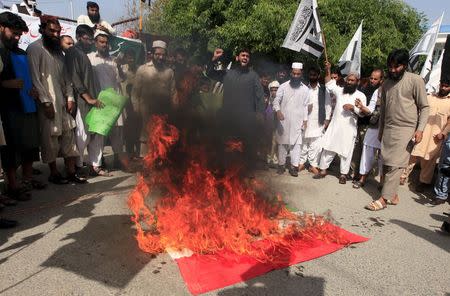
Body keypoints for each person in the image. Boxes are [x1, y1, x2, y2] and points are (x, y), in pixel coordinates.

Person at [366, 49, 429, 211]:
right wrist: (381, 131)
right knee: (386, 163)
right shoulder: (386, 83)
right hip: (388, 128)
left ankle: (384, 199)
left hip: (406, 129)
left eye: (397, 67)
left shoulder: (415, 80)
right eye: (390, 67)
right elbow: (384, 109)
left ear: (405, 65)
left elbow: (425, 107)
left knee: (396, 165)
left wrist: (420, 129)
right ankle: (393, 194)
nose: (393, 70)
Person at [27, 16, 86, 184]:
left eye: (58, 31)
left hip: (63, 102)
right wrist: (46, 102)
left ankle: (71, 171)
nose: (55, 34)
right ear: (43, 29)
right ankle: (53, 173)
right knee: (50, 139)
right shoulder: (34, 48)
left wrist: (70, 98)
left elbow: (66, 78)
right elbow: (35, 79)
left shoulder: (58, 52)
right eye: (51, 30)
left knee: (69, 135)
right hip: (47, 103)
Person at [0, 11, 42, 201]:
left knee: (30, 142)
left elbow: (29, 76)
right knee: (10, 148)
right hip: (6, 107)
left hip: (25, 104)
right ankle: (12, 185)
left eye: (19, 35)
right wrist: (5, 84)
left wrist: (32, 90)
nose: (17, 38)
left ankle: (27, 179)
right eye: (14, 33)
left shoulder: (20, 52)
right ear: (2, 27)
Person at [206, 47, 265, 173]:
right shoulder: (228, 73)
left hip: (246, 120)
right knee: (226, 145)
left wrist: (260, 113)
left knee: (247, 147)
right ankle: (224, 171)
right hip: (228, 119)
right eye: (243, 55)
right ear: (237, 58)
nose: (245, 58)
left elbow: (260, 96)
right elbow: (210, 73)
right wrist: (214, 59)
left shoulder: (253, 76)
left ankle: (247, 172)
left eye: (247, 56)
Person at [314, 62, 370, 184]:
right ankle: (323, 170)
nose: (349, 82)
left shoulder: (361, 95)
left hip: (349, 129)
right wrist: (328, 69)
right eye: (348, 80)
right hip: (335, 126)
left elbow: (364, 113)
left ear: (357, 82)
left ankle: (343, 174)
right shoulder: (340, 91)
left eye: (352, 80)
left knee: (346, 152)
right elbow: (329, 83)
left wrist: (353, 108)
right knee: (328, 148)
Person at [65, 24, 106, 176]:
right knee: (82, 136)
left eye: (91, 39)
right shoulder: (72, 52)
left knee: (96, 134)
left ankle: (95, 165)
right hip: (83, 101)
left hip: (94, 100)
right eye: (87, 39)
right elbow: (74, 78)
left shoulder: (83, 53)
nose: (90, 42)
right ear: (79, 37)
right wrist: (88, 98)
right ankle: (79, 166)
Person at [88, 31, 128, 171]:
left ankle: (118, 159)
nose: (104, 45)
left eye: (106, 42)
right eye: (101, 42)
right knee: (99, 133)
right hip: (100, 101)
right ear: (96, 43)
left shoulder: (113, 60)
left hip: (114, 101)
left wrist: (119, 66)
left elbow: (121, 79)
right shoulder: (90, 59)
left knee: (118, 132)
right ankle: (98, 163)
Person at [401, 82, 450, 192]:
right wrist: (416, 129)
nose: (443, 88)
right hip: (421, 131)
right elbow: (418, 112)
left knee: (429, 159)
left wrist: (443, 132)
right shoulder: (429, 97)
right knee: (412, 154)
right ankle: (402, 176)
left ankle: (424, 182)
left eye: (446, 86)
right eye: (442, 85)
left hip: (436, 136)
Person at [131, 40, 176, 157]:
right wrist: (136, 110)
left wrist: (176, 111)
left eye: (163, 55)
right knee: (145, 138)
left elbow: (173, 93)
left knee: (162, 139)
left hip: (163, 113)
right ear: (152, 54)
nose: (160, 57)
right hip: (146, 112)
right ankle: (145, 164)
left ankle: (160, 165)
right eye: (157, 54)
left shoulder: (169, 72)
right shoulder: (143, 70)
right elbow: (135, 93)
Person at [272, 63, 310, 177]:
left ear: (301, 74)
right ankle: (281, 165)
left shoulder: (305, 89)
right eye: (294, 73)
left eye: (298, 74)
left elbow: (305, 106)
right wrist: (278, 111)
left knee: (296, 145)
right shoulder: (283, 86)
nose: (296, 76)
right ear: (291, 73)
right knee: (282, 144)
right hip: (284, 120)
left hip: (298, 122)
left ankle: (294, 167)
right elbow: (276, 101)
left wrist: (305, 120)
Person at [351, 69, 384, 180]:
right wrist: (361, 107)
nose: (372, 80)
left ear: (381, 80)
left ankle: (382, 181)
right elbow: (370, 109)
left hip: (388, 127)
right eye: (371, 78)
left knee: (383, 155)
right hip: (373, 125)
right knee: (367, 150)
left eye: (375, 79)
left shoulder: (392, 90)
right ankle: (362, 178)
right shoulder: (376, 91)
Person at [299, 66, 332, 175]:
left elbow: (328, 105)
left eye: (314, 75)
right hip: (305, 120)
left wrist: (327, 119)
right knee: (303, 143)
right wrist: (305, 108)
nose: (312, 77)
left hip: (318, 120)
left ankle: (313, 165)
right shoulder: (303, 88)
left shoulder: (323, 89)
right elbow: (298, 104)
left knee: (316, 144)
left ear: (318, 76)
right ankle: (301, 162)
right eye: (310, 75)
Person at [265, 80, 279, 168]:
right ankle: (268, 157)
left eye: (276, 90)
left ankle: (274, 158)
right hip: (268, 124)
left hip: (277, 124)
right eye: (272, 90)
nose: (274, 92)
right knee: (269, 140)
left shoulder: (281, 100)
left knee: (275, 141)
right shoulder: (268, 100)